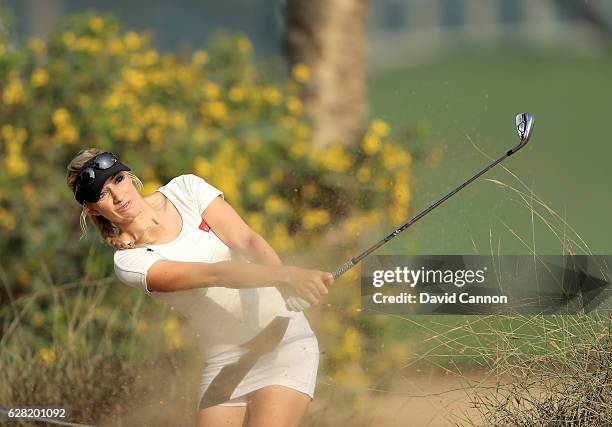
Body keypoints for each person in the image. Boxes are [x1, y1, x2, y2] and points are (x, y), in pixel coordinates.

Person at [66, 148, 334, 427]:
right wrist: (287, 277)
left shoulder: (185, 189)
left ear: (129, 176)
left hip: (280, 337)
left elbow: (247, 240)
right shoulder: (130, 262)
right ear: (92, 208)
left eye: (118, 180)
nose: (118, 196)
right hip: (225, 360)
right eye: (102, 194)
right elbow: (214, 275)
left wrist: (284, 284)